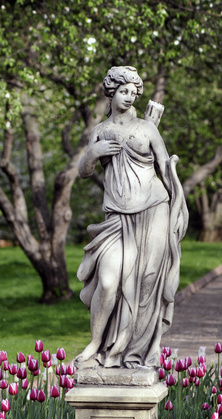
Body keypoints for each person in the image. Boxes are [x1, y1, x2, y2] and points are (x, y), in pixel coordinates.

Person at [76, 66, 188, 369]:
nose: (129, 97)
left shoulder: (148, 128)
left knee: (146, 282)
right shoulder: (99, 130)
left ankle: (132, 350)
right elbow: (84, 173)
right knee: (109, 281)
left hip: (154, 211)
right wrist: (93, 153)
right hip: (116, 217)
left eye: (133, 92)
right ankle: (96, 343)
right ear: (111, 93)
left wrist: (179, 206)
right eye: (123, 91)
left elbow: (165, 168)